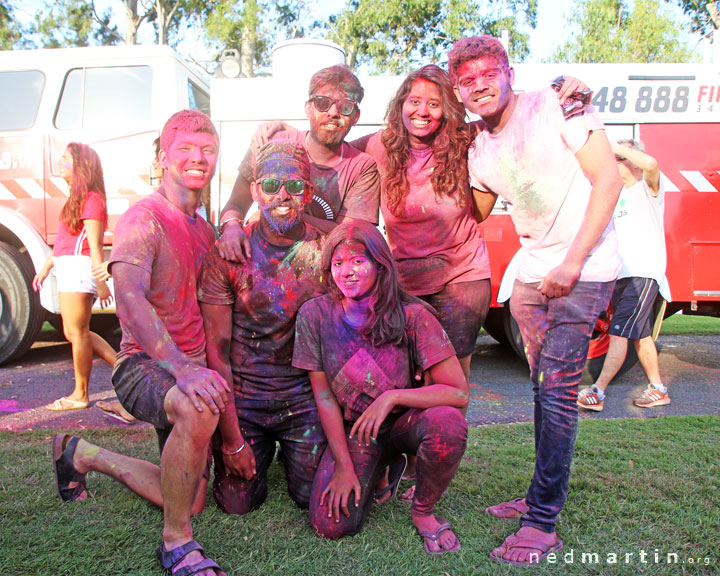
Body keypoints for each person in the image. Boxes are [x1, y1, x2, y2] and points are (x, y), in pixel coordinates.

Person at [449, 35, 622, 565]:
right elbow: (474, 211)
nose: (479, 85)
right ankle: (535, 495)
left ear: (507, 72)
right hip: (532, 274)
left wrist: (570, 265)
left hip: (583, 267)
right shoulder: (478, 147)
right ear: (458, 91)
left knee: (558, 391)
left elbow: (609, 181)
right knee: (542, 389)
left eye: (487, 73)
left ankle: (542, 523)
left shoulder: (557, 103)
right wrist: (442, 149)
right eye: (466, 80)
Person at [50, 110, 230, 576]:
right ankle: (176, 545)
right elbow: (128, 300)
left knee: (192, 500)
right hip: (144, 364)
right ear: (162, 157)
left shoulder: (204, 229)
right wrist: (183, 368)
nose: (198, 157)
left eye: (207, 149)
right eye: (185, 148)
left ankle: (82, 454)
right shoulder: (142, 217)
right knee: (198, 407)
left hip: (187, 368)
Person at [293, 220, 469, 554]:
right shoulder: (314, 316)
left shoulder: (413, 315)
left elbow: (458, 392)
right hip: (357, 431)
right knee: (330, 525)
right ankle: (382, 467)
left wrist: (392, 397)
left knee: (447, 423)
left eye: (358, 261)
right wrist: (345, 467)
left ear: (380, 265)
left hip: (405, 424)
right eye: (339, 263)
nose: (347, 272)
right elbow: (326, 398)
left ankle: (424, 511)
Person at [199, 140, 327, 515]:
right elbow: (217, 354)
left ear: (310, 192)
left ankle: (294, 456)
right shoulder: (228, 255)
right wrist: (232, 438)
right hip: (246, 401)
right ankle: (262, 450)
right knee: (238, 504)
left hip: (304, 401)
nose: (282, 195)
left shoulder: (328, 252)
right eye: (270, 186)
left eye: (295, 186)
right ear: (255, 191)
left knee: (309, 498)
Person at [216, 64, 380, 263]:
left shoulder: (362, 167)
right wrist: (231, 226)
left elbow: (355, 236)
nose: (333, 112)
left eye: (345, 106)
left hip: (321, 273)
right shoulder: (272, 144)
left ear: (356, 117)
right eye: (322, 103)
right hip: (262, 264)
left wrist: (277, 216)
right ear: (308, 108)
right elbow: (235, 204)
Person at [578, 140, 670, 411]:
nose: (615, 164)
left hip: (643, 273)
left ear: (634, 159)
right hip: (621, 276)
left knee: (618, 333)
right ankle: (658, 389)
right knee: (640, 336)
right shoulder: (615, 195)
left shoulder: (649, 188)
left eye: (621, 159)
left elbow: (651, 164)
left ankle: (598, 391)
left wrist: (613, 146)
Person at [32, 142, 115, 412]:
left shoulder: (91, 198)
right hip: (67, 267)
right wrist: (45, 269)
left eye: (66, 159)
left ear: (81, 165)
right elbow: (64, 244)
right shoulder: (77, 198)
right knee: (74, 332)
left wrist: (101, 282)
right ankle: (123, 367)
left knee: (77, 332)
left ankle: (80, 394)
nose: (60, 162)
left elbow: (94, 243)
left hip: (80, 270)